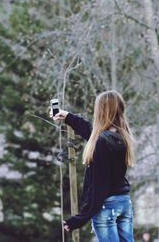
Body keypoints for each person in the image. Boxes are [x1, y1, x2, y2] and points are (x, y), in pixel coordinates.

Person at [50, 90, 135, 242]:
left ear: (101, 111)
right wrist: (68, 117)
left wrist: (80, 219)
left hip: (107, 206)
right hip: (123, 202)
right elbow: (93, 132)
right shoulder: (122, 136)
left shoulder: (101, 142)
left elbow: (99, 187)